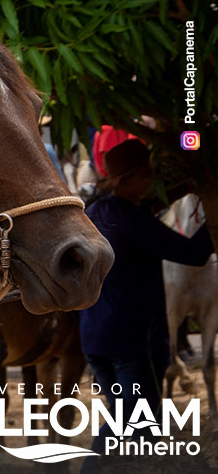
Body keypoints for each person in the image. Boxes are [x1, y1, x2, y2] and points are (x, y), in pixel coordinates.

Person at [79, 139, 212, 463]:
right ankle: (91, 469)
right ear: (133, 178)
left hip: (94, 339)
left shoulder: (97, 211)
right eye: (148, 174)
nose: (152, 181)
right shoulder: (132, 220)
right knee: (136, 418)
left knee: (130, 420)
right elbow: (193, 254)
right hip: (126, 342)